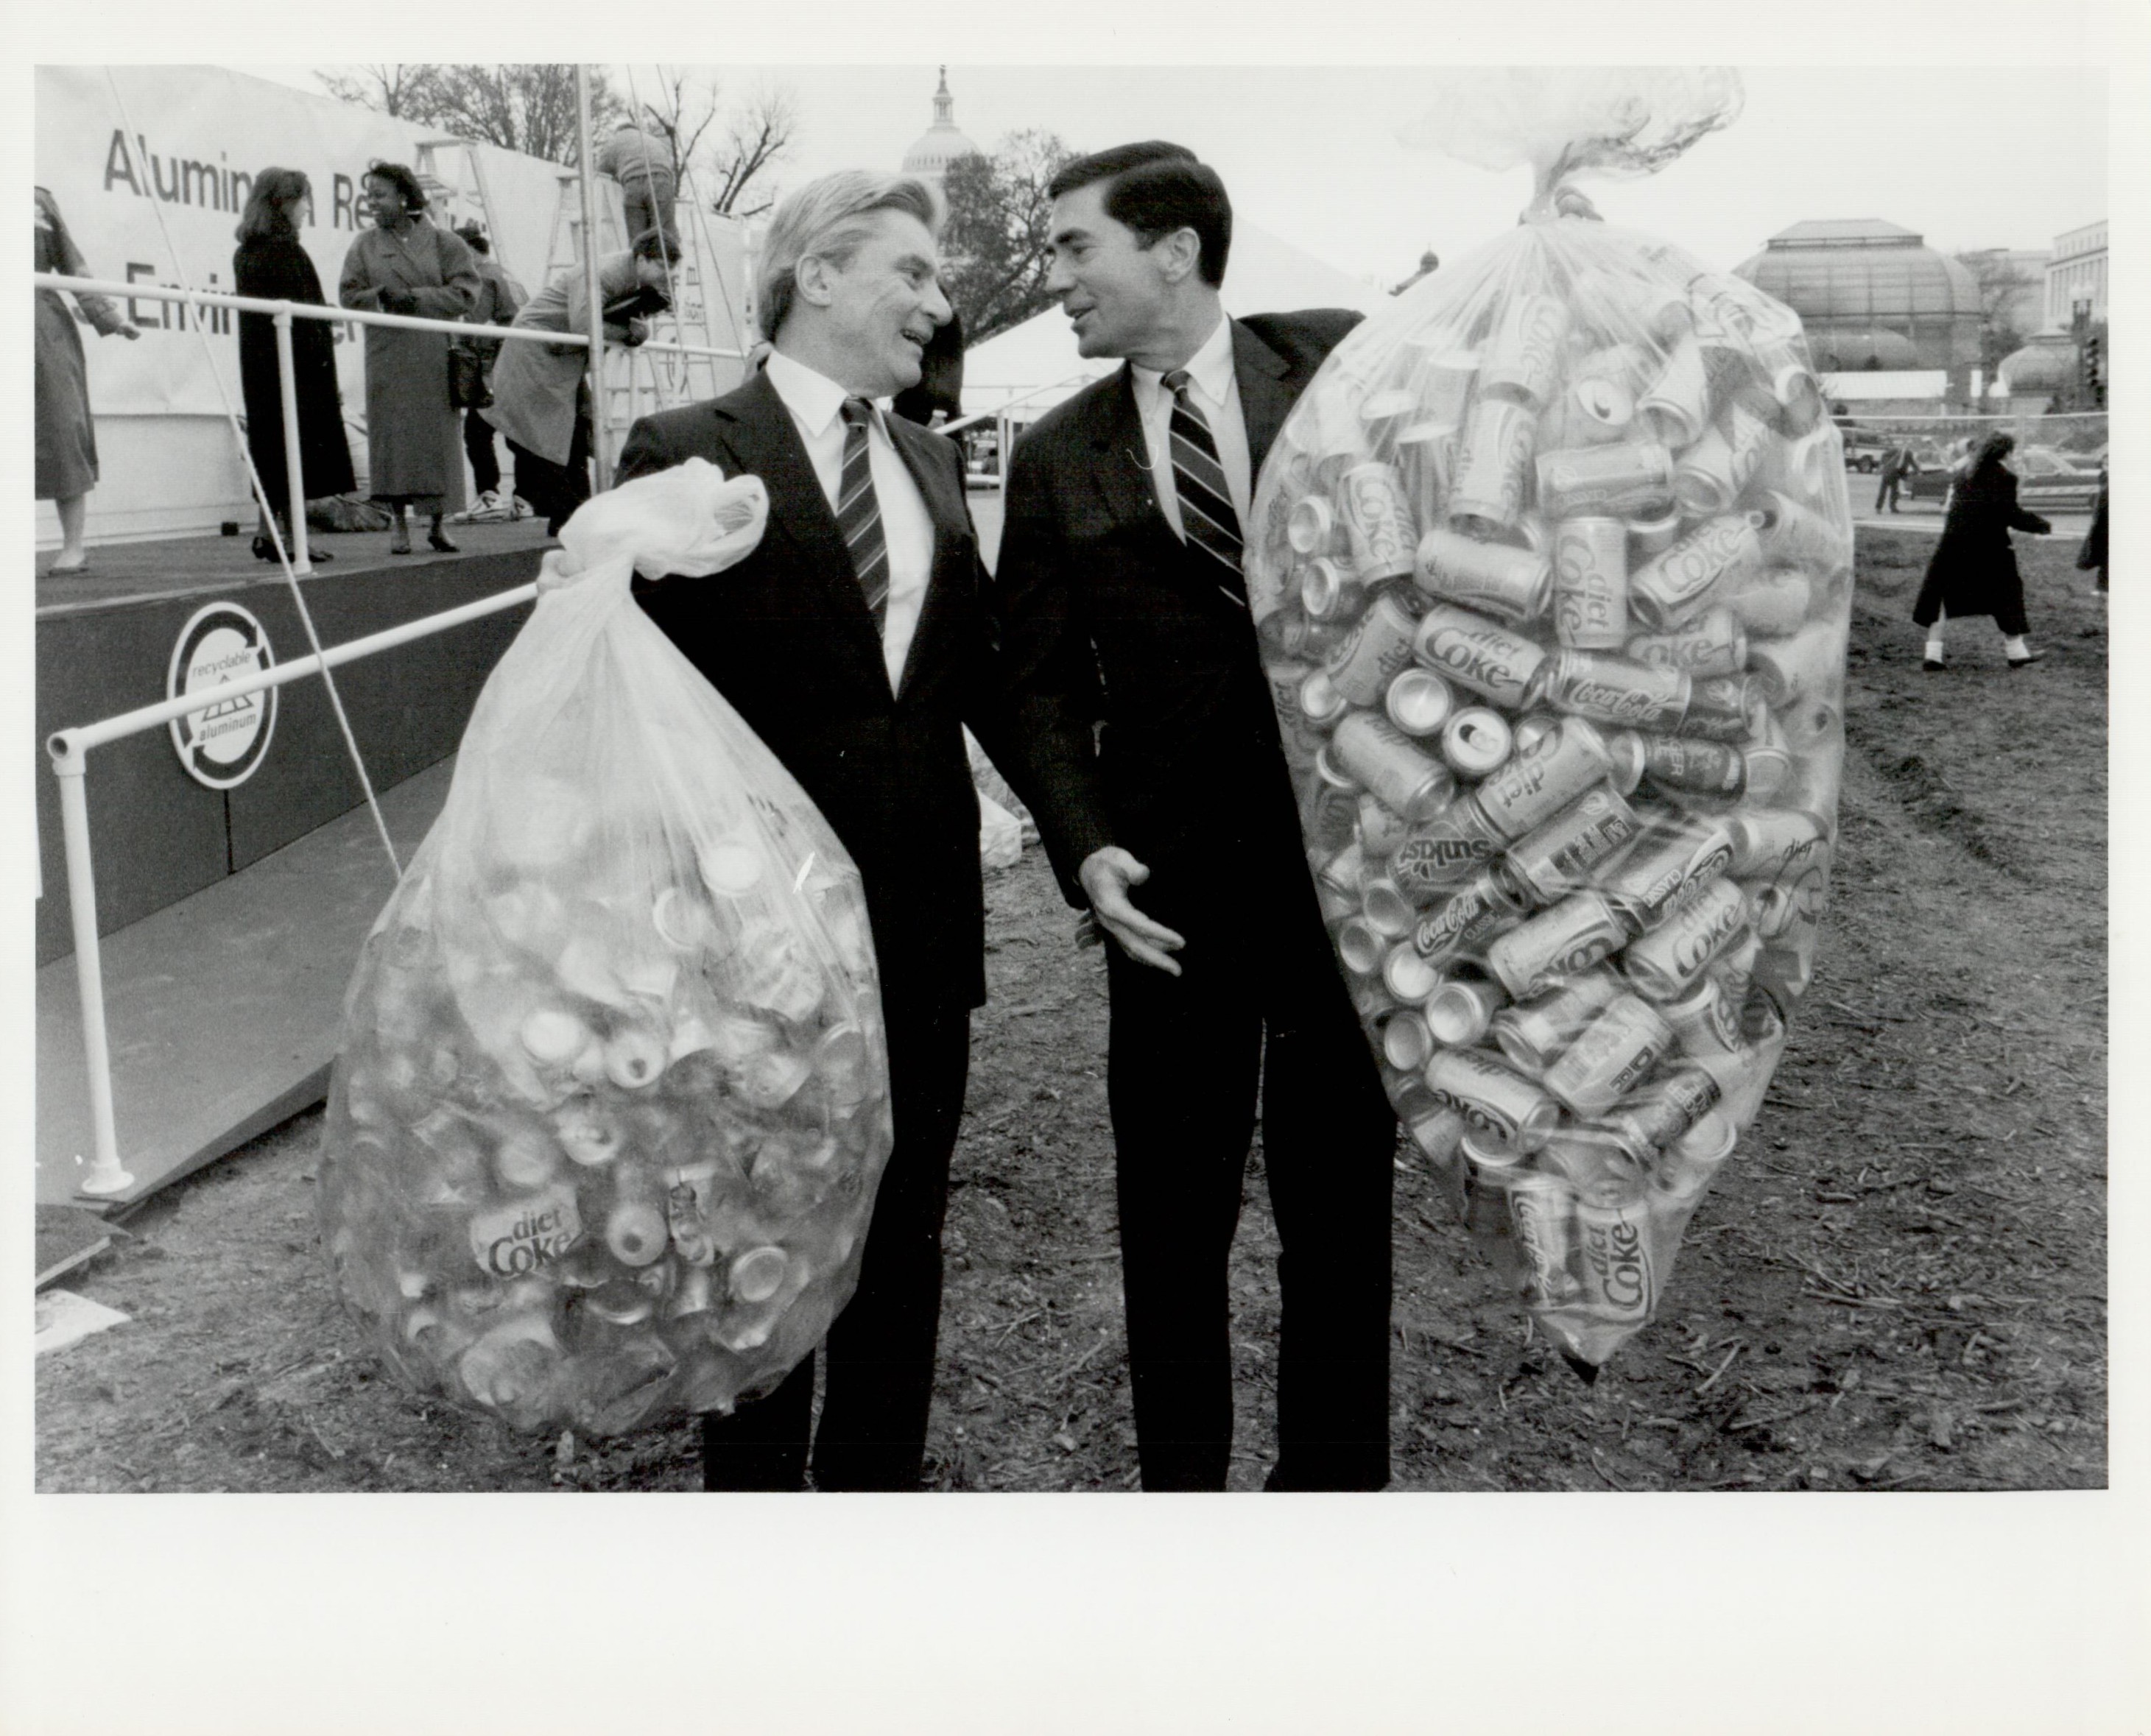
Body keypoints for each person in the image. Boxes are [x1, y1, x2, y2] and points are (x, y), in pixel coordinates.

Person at [992, 141, 1397, 1492]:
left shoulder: (1336, 366)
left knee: (1342, 1212)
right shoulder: (1057, 453)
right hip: (1167, 898)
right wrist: (1082, 843)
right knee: (1171, 1226)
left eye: (1074, 247)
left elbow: (1486, 381)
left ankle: (1331, 1497)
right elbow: (1034, 681)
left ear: (1173, 251)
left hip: (1349, 876)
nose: (1055, 277)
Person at [618, 170, 1020, 1492]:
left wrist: (1085, 833)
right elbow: (637, 697)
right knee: (762, 1246)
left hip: (921, 931)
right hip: (758, 943)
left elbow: (979, 676)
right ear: (819, 273)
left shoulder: (931, 459)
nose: (938, 303)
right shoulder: (686, 448)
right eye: (913, 271)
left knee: (904, 1242)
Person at [484, 227, 669, 536]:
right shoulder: (602, 273)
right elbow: (584, 324)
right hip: (538, 352)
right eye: (662, 266)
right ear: (641, 259)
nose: (667, 275)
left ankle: (572, 514)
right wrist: (628, 333)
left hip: (559, 356)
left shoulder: (627, 277)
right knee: (544, 438)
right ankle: (568, 514)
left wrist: (638, 330)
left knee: (572, 435)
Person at [338, 162, 480, 554]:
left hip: (432, 354)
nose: (372, 203)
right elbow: (348, 295)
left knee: (437, 440)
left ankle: (437, 523)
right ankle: (398, 524)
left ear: (404, 197)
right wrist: (381, 297)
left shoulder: (446, 243)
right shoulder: (364, 245)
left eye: (380, 195)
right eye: (369, 196)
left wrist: (416, 298)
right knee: (392, 440)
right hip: (387, 355)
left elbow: (467, 294)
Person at [232, 169, 355, 563]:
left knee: (273, 447)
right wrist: (325, 372)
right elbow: (305, 318)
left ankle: (270, 533)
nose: (307, 208)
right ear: (283, 202)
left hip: (261, 365)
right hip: (296, 366)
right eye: (303, 199)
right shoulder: (285, 252)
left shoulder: (247, 251)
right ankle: (289, 539)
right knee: (293, 449)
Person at [35, 186, 141, 574]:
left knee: (61, 427)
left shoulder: (36, 199)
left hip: (38, 327)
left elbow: (73, 265)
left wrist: (110, 317)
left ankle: (73, 546)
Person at [1912, 431, 2050, 671]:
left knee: (1939, 597)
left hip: (1952, 545)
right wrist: (2041, 525)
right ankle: (2017, 653)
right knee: (2007, 595)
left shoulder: (1964, 474)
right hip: (1989, 548)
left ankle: (1932, 656)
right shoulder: (2005, 477)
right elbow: (2009, 513)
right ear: (2005, 453)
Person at [452, 222, 525, 515]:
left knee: (477, 433)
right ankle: (524, 497)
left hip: (496, 363)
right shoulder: (506, 274)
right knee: (517, 433)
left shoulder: (481, 277)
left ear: (467, 251)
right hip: (520, 360)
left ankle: (489, 495)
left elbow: (477, 328)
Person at [595, 123, 678, 255]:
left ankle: (639, 263)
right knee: (664, 234)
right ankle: (666, 266)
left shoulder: (614, 142)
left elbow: (601, 173)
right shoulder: (653, 140)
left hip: (632, 184)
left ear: (619, 131)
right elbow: (670, 164)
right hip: (661, 181)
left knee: (637, 239)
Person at [890, 304, 964, 427]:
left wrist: (940, 412)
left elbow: (950, 365)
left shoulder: (945, 317)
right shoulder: (909, 316)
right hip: (906, 403)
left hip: (934, 410)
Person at [2076, 468, 2108, 597]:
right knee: (2106, 558)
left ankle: (2103, 588)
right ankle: (2102, 588)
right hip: (2104, 526)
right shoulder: (2105, 480)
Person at [1875, 442, 1914, 513]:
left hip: (1892, 473)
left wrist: (1883, 464)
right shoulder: (1903, 452)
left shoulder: (1899, 451)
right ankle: (1891, 507)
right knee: (1892, 491)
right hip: (1891, 473)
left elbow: (1884, 455)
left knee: (1886, 491)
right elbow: (1912, 463)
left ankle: (1880, 508)